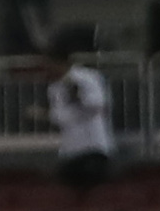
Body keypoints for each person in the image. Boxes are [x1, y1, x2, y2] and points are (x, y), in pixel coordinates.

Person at [45, 35, 114, 192]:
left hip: (92, 147)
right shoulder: (54, 87)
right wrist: (45, 114)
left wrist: (78, 97)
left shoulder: (88, 78)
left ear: (60, 62)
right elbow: (59, 117)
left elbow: (98, 105)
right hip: (71, 150)